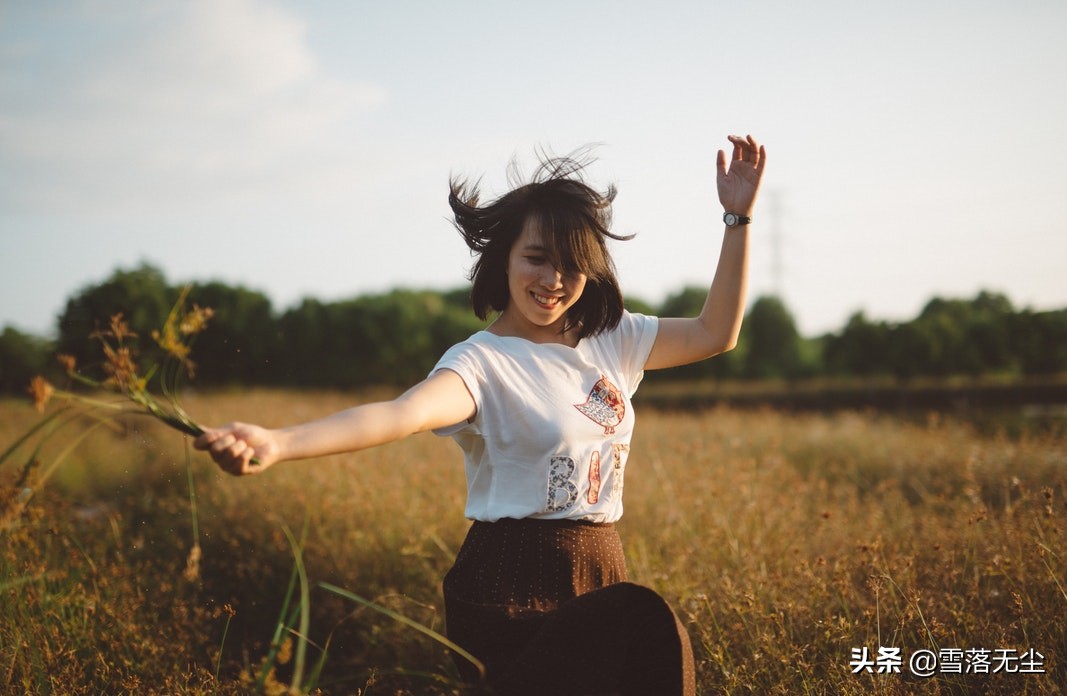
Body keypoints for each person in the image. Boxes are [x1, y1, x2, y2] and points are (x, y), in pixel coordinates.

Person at [195, 134, 766, 695]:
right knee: (647, 623)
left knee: (648, 642)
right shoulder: (482, 362)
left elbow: (715, 332)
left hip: (599, 568)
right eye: (536, 259)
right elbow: (400, 414)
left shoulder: (613, 338)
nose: (553, 281)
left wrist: (737, 220)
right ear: (505, 258)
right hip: (508, 583)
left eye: (571, 265)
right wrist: (278, 442)